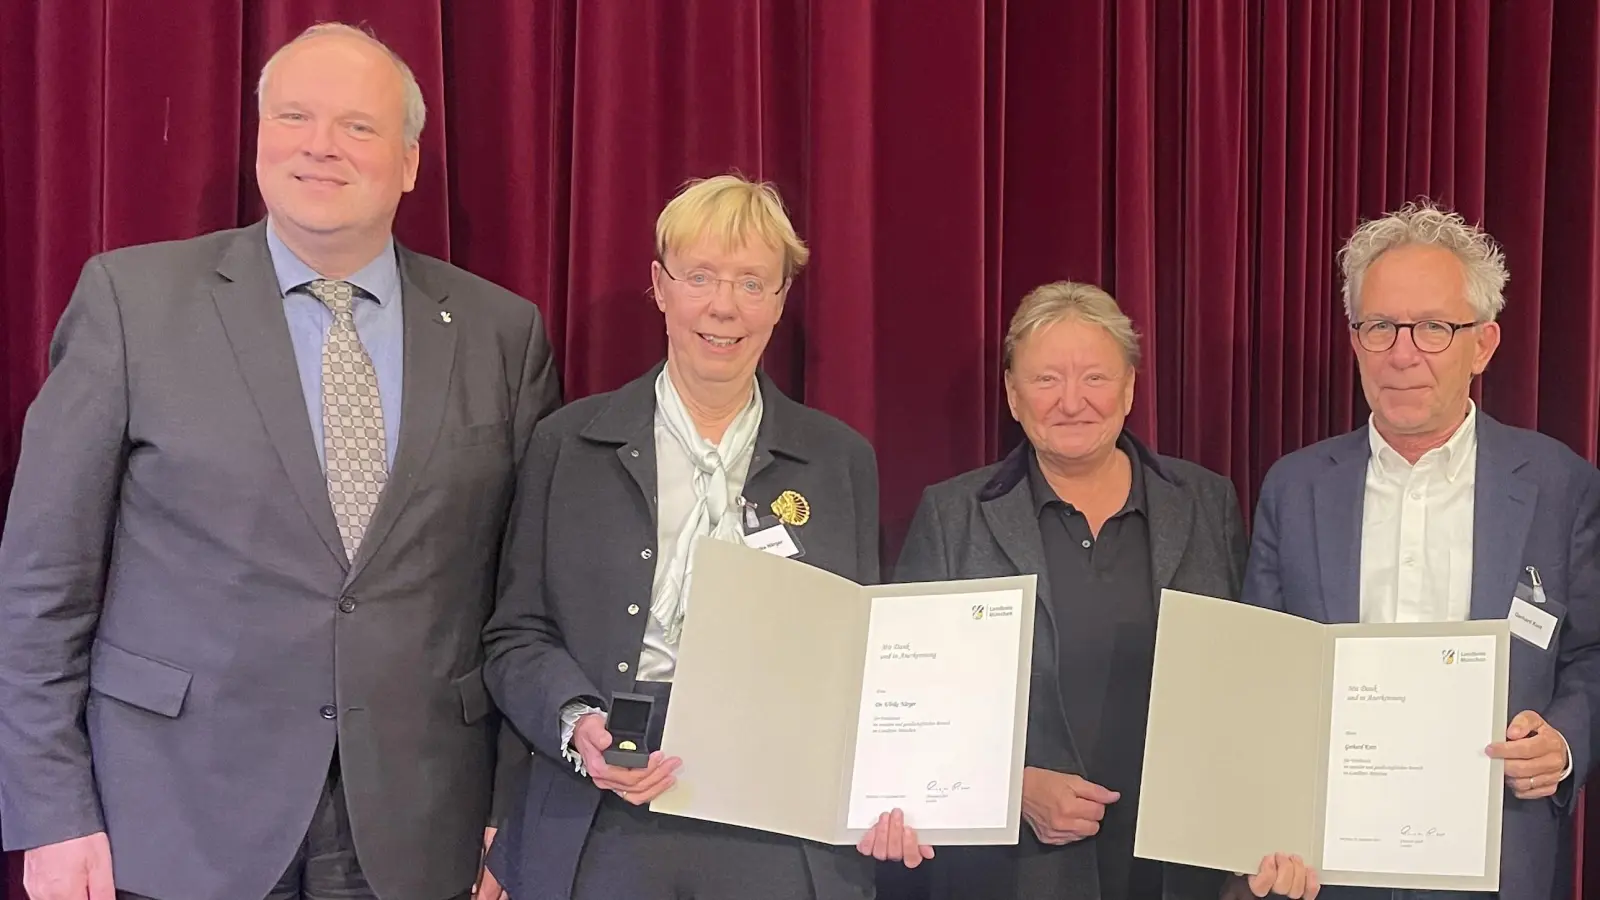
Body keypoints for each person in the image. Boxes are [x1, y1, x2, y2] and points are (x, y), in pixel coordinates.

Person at [0, 22, 559, 900]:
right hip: (172, 817)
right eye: (294, 116)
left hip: (419, 829)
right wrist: (50, 809)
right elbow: (42, 579)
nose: (320, 147)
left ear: (411, 161)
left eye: (358, 127)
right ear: (260, 137)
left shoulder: (502, 333)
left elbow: (525, 599)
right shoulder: (129, 305)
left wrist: (515, 812)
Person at [481, 173, 920, 900]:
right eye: (701, 277)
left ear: (781, 301)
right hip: (604, 803)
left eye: (753, 283)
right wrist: (578, 724)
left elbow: (864, 659)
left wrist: (899, 786)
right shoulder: (568, 445)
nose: (725, 306)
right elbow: (515, 636)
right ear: (659, 286)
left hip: (780, 820)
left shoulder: (840, 461)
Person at [893, 280, 1305, 900]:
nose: (1071, 401)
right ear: (1011, 392)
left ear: (1131, 387)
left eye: (1095, 377)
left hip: (1175, 871)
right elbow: (907, 707)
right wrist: (1015, 788)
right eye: (1046, 379)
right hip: (1015, 873)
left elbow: (1248, 686)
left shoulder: (1207, 503)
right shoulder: (954, 516)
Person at [1244, 200, 1600, 900]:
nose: (1403, 353)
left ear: (1484, 344)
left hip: (1498, 858)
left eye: (1434, 328)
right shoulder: (1295, 487)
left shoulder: (1560, 484)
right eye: (1380, 327)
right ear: (1354, 340)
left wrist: (1563, 742)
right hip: (1327, 867)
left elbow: (1590, 652)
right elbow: (1262, 669)